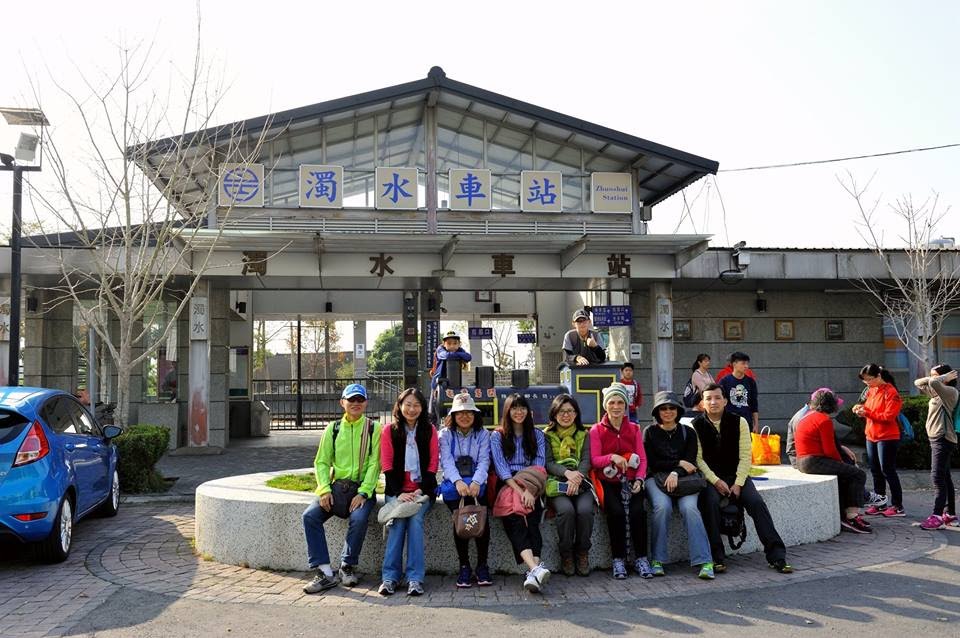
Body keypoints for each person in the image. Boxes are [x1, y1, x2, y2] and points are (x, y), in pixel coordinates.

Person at [692, 384, 792, 574]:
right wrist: (715, 481)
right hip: (712, 479)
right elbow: (698, 460)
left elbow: (746, 456)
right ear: (702, 403)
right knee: (709, 503)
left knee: (756, 503)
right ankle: (716, 557)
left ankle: (777, 556)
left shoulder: (739, 422)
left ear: (725, 401)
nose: (713, 402)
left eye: (717, 398)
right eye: (708, 398)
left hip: (738, 475)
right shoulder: (696, 425)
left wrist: (738, 483)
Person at [302, 384, 381, 594]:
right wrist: (324, 490)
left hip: (362, 489)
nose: (355, 403)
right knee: (310, 516)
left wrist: (364, 492)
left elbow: (376, 463)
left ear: (366, 403)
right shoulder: (333, 429)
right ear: (342, 402)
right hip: (337, 489)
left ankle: (347, 565)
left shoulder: (373, 428)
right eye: (351, 400)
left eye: (360, 400)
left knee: (359, 518)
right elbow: (321, 461)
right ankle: (325, 572)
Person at [643, 391, 715, 580]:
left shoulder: (688, 432)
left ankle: (705, 561)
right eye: (663, 408)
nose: (668, 412)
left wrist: (676, 472)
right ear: (657, 412)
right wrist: (677, 463)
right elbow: (652, 463)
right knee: (662, 507)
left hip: (685, 480)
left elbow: (690, 462)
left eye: (672, 408)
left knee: (690, 508)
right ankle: (657, 560)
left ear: (678, 410)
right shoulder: (649, 432)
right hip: (656, 479)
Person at [377, 388, 438, 597]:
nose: (412, 409)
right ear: (400, 406)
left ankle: (415, 578)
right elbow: (387, 465)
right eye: (408, 405)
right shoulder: (389, 431)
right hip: (397, 492)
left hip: (422, 492)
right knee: (397, 522)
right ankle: (390, 577)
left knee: (415, 521)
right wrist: (399, 493)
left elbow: (432, 465)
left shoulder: (429, 430)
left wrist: (420, 490)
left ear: (422, 407)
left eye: (417, 405)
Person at [589, 383, 652, 579]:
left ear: (625, 406)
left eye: (620, 403)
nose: (616, 407)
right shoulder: (596, 430)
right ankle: (618, 559)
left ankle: (641, 558)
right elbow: (595, 460)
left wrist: (640, 479)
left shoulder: (634, 429)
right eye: (612, 403)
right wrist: (612, 458)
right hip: (607, 482)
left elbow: (642, 459)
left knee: (638, 512)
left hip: (632, 481)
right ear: (605, 406)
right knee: (615, 512)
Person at [489, 393, 550, 593]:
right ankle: (535, 570)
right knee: (515, 520)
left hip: (532, 482)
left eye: (522, 408)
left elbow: (539, 465)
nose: (519, 412)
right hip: (508, 484)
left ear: (528, 411)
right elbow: (502, 469)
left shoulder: (537, 435)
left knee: (532, 520)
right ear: (507, 411)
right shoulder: (497, 436)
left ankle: (533, 572)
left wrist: (529, 490)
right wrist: (521, 490)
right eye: (514, 408)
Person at [795, 389, 871, 534]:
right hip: (814, 461)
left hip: (803, 461)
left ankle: (844, 515)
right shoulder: (824, 420)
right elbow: (830, 450)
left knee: (846, 476)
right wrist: (843, 464)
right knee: (858, 474)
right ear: (831, 405)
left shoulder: (807, 417)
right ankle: (852, 517)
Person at [437, 392, 493, 588]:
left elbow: (484, 460)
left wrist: (476, 482)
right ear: (453, 415)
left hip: (477, 484)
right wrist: (459, 482)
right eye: (460, 413)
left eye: (469, 412)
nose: (464, 416)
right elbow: (446, 461)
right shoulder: (445, 434)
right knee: (460, 517)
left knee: (481, 518)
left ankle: (482, 565)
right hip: (455, 486)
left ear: (475, 414)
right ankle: (464, 566)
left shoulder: (483, 434)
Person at [544, 394, 595, 577]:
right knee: (566, 511)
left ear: (576, 414)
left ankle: (582, 553)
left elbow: (586, 460)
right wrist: (567, 473)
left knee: (585, 511)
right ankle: (566, 554)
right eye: (561, 411)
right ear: (554, 414)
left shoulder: (584, 434)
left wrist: (576, 478)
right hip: (557, 482)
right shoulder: (546, 435)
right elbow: (548, 462)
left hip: (580, 482)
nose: (566, 415)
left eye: (570, 411)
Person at [853, 363, 905, 517]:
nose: (867, 383)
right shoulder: (871, 390)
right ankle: (880, 503)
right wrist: (860, 409)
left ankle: (897, 506)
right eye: (865, 380)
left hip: (887, 436)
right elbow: (869, 408)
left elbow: (888, 416)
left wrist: (867, 413)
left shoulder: (891, 392)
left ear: (878, 376)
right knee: (875, 470)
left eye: (869, 379)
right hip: (871, 435)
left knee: (888, 470)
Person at [914, 365, 959, 530]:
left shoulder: (950, 392)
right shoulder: (937, 392)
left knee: (937, 477)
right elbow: (918, 382)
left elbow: (932, 382)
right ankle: (950, 514)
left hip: (943, 438)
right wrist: (939, 378)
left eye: (935, 375)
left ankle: (937, 516)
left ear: (946, 377)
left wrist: (940, 378)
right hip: (937, 438)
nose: (931, 378)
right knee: (945, 477)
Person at [429, 331, 472, 422]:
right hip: (439, 383)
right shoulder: (440, 349)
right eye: (449, 343)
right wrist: (458, 355)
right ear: (444, 344)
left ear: (459, 344)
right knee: (434, 409)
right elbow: (446, 356)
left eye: (455, 343)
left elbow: (468, 357)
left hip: (454, 383)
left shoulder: (460, 350)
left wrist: (456, 354)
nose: (452, 346)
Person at [717, 351, 759, 433]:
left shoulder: (751, 382)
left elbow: (754, 404)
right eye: (743, 363)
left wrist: (756, 424)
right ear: (734, 364)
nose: (746, 366)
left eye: (747, 363)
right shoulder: (724, 381)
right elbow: (720, 402)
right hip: (729, 421)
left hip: (746, 421)